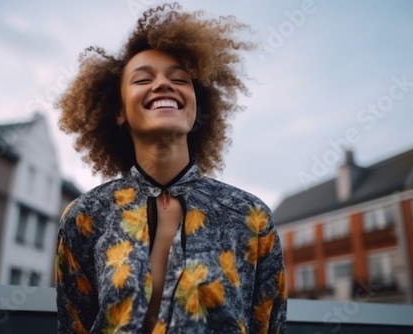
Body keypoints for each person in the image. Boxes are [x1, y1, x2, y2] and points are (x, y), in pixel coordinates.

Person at [55, 3, 287, 333]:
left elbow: (269, 326)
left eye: (180, 79)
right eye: (143, 79)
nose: (163, 84)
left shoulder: (252, 217)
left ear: (196, 106)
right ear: (119, 110)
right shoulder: (84, 216)